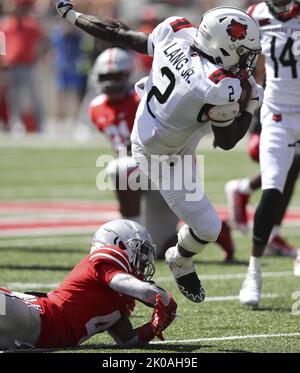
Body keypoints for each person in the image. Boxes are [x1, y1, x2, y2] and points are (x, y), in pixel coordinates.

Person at [53, 1, 263, 303]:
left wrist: (72, 15)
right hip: (159, 153)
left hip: (174, 124)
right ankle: (179, 258)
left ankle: (179, 254)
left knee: (239, 100)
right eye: (243, 53)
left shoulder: (178, 31)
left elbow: (122, 34)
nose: (247, 61)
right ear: (222, 46)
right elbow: (227, 140)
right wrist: (249, 104)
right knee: (208, 227)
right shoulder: (217, 85)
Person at [89, 47, 236, 260]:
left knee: (118, 169)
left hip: (169, 165)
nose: (111, 82)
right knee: (156, 249)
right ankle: (214, 229)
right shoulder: (95, 107)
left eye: (117, 76)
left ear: (128, 74)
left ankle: (133, 239)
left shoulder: (143, 98)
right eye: (106, 77)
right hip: (142, 173)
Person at [0, 219, 177, 350]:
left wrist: (153, 328)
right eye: (141, 251)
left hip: (38, 339)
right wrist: (163, 298)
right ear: (118, 244)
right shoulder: (108, 263)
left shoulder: (122, 299)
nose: (145, 261)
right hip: (41, 316)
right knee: (10, 311)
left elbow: (128, 341)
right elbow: (129, 285)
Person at [238, 0, 300, 306]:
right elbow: (243, 61)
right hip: (278, 115)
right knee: (272, 190)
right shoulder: (255, 15)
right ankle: (254, 271)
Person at [225, 110, 300, 257]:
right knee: (291, 162)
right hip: (275, 119)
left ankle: (272, 235)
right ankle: (243, 188)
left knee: (292, 167)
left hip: (289, 117)